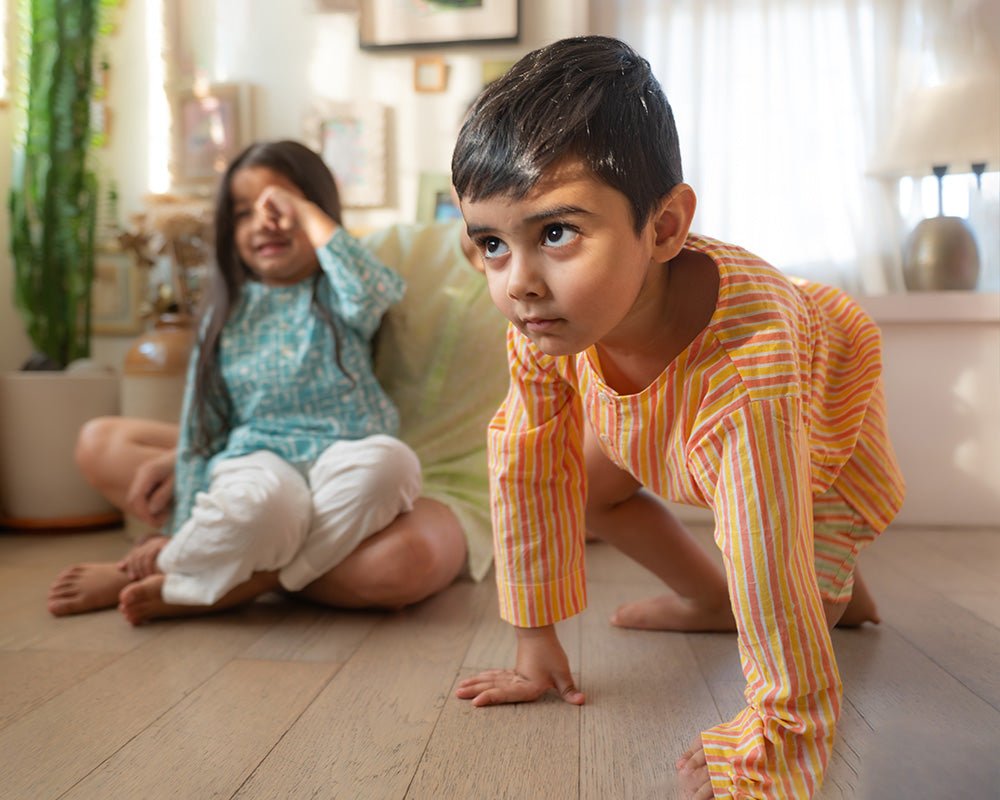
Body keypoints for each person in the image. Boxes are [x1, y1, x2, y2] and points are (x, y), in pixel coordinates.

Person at [449, 36, 905, 799]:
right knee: (591, 488)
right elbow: (527, 462)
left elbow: (764, 545)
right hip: (666, 413)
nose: (519, 282)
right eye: (492, 243)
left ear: (663, 228)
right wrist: (534, 642)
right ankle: (708, 599)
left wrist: (775, 739)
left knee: (800, 561)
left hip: (815, 398)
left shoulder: (753, 366)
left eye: (557, 233)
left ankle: (841, 586)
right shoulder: (546, 322)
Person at [48, 139, 510, 624]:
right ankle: (203, 559)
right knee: (265, 502)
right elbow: (202, 416)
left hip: (346, 458)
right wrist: (188, 487)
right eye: (244, 213)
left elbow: (371, 291)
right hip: (261, 460)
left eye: (279, 205)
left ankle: (220, 578)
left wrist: (305, 214)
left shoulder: (340, 287)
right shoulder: (229, 313)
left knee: (392, 465)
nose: (265, 220)